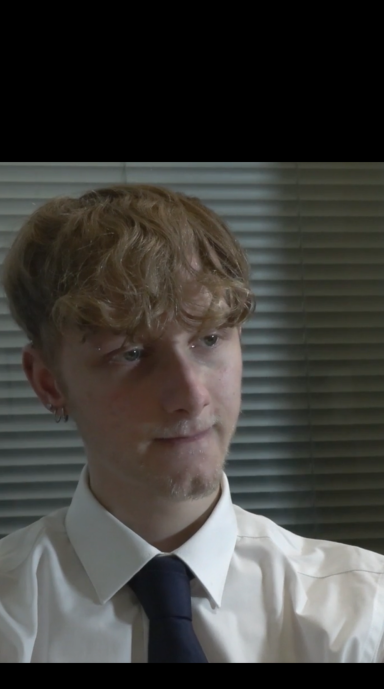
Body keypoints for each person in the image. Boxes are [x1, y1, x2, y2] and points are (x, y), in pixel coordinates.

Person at [0, 184, 383, 664]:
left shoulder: (364, 615)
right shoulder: (11, 620)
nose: (191, 396)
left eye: (209, 339)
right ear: (49, 383)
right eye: (131, 353)